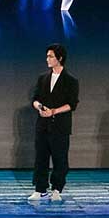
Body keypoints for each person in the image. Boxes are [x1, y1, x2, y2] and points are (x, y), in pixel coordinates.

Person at [28, 44, 79, 201]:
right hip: (43, 125)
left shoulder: (71, 80)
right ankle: (40, 189)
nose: (47, 59)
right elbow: (35, 99)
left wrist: (54, 111)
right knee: (40, 158)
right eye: (47, 56)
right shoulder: (43, 78)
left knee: (60, 159)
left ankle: (57, 189)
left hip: (60, 126)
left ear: (60, 58)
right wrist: (39, 107)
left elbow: (72, 104)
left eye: (50, 56)